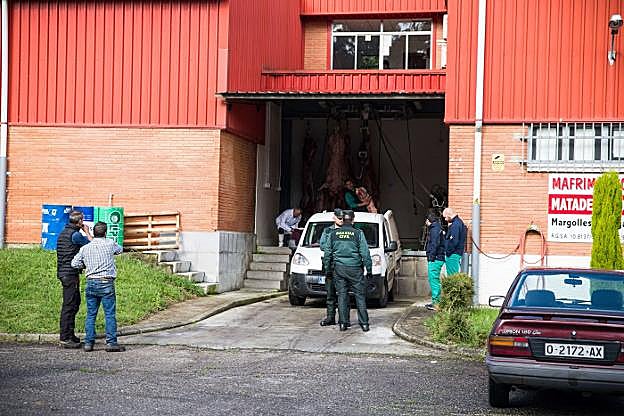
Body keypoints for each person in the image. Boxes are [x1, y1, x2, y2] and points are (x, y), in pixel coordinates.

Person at [71, 221, 125, 352]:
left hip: (91, 283)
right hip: (106, 283)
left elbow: (74, 263)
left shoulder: (85, 248)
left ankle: (88, 343)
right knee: (109, 314)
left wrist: (86, 265)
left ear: (93, 233)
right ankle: (111, 343)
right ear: (105, 233)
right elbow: (120, 250)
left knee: (91, 314)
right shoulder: (110, 244)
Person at [323, 210, 373, 332]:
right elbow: (365, 253)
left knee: (342, 296)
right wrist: (369, 270)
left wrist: (328, 269)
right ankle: (364, 324)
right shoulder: (358, 233)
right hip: (355, 269)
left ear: (342, 220)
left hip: (339, 269)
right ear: (353, 220)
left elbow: (327, 254)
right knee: (359, 296)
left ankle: (343, 323)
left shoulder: (333, 234)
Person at [56, 210, 92, 349]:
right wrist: (87, 231)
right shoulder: (75, 235)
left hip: (65, 272)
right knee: (69, 305)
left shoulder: (64, 232)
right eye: (82, 220)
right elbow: (91, 245)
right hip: (70, 274)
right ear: (79, 221)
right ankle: (65, 338)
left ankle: (70, 335)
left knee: (74, 303)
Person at [318, 208, 349, 327]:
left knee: (343, 294)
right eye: (339, 218)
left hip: (343, 265)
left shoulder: (348, 231)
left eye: (343, 218)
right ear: (334, 218)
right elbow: (322, 245)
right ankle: (330, 317)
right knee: (330, 294)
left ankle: (344, 319)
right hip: (330, 265)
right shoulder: (327, 231)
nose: (341, 220)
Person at [425, 212, 445, 311]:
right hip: (437, 257)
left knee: (433, 280)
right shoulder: (437, 228)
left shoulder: (434, 229)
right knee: (434, 280)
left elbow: (434, 244)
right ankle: (436, 302)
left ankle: (436, 303)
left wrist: (431, 257)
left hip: (436, 258)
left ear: (429, 220)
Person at [443, 207, 466, 276]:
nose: (445, 219)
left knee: (452, 276)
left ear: (448, 215)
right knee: (453, 275)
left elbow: (454, 241)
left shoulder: (455, 224)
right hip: (455, 253)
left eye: (445, 217)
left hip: (453, 254)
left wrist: (448, 252)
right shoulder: (458, 222)